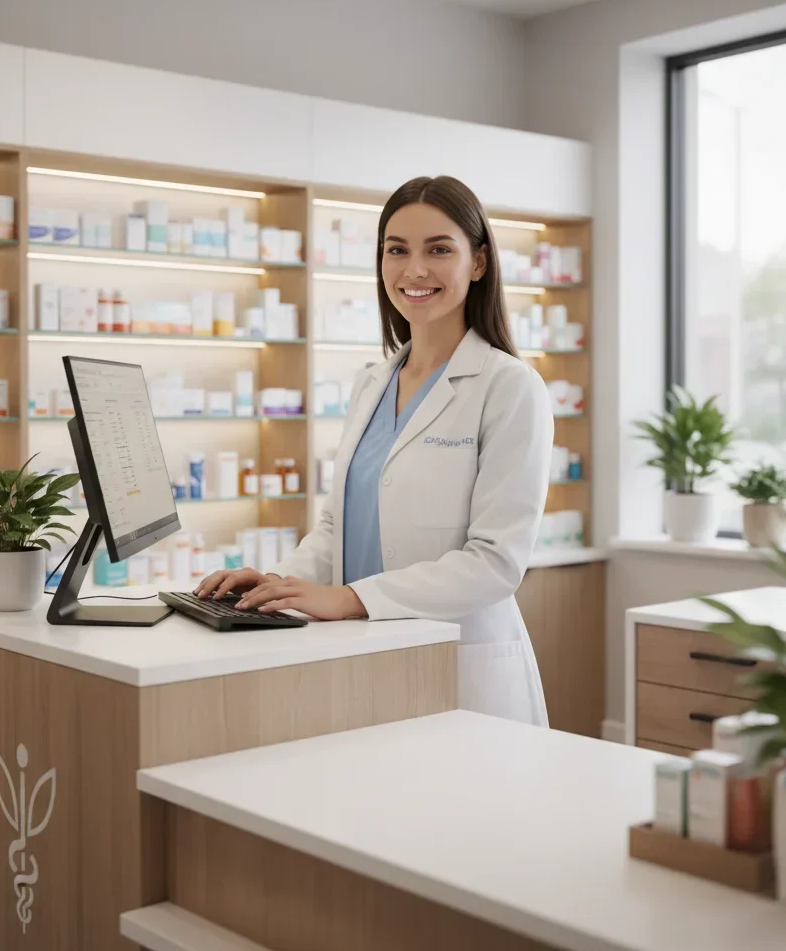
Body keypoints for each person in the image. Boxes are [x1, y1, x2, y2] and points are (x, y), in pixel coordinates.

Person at [196, 175, 553, 725]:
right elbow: (338, 528)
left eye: (439, 249)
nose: (414, 270)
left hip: (458, 669)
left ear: (479, 262)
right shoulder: (372, 383)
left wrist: (350, 599)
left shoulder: (509, 387)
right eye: (397, 250)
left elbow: (496, 563)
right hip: (363, 662)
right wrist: (275, 586)